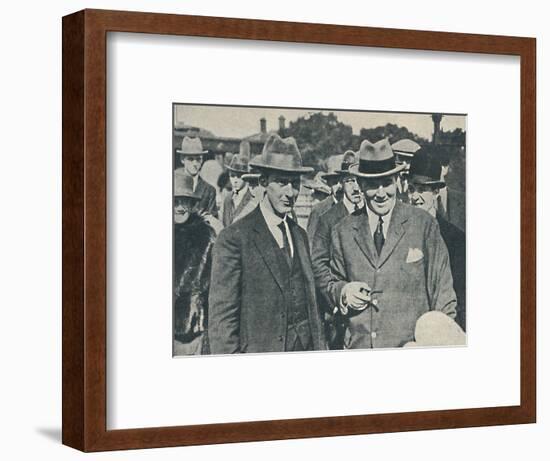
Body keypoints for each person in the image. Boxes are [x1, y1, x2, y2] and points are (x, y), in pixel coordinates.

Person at [325, 138, 457, 349]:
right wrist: (343, 292)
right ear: (360, 184)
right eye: (372, 185)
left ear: (397, 181)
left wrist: (434, 345)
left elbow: (443, 296)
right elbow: (333, 282)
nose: (380, 193)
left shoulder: (424, 225)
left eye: (386, 183)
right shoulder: (342, 230)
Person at [208, 134, 326, 354]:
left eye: (295, 183)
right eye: (281, 182)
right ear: (263, 182)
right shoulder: (234, 238)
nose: (290, 192)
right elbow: (222, 322)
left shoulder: (299, 234)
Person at [408, 146, 466, 331]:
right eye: (411, 189)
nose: (415, 197)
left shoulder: (456, 239)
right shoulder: (399, 233)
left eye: (422, 190)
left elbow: (461, 297)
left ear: (435, 192)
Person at [311, 150, 363, 348]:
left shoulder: (372, 217)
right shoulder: (327, 219)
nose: (356, 187)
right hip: (337, 312)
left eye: (359, 181)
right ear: (341, 182)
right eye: (350, 181)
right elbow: (317, 263)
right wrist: (334, 297)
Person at [173, 171, 217, 356]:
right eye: (175, 201)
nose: (180, 207)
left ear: (192, 205)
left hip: (189, 327)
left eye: (186, 201)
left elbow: (209, 284)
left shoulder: (204, 236)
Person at [305, 153, 348, 242]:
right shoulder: (319, 211)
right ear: (329, 184)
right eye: (335, 182)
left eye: (343, 182)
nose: (340, 186)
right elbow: (311, 243)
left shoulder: (356, 208)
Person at [174, 136, 218, 217]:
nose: (195, 164)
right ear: (182, 159)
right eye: (190, 159)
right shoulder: (174, 185)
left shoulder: (209, 191)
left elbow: (212, 222)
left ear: (202, 160)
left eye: (198, 159)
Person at [221, 153, 254, 227]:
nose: (235, 180)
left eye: (239, 176)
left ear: (246, 177)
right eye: (232, 176)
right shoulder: (227, 198)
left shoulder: (253, 199)